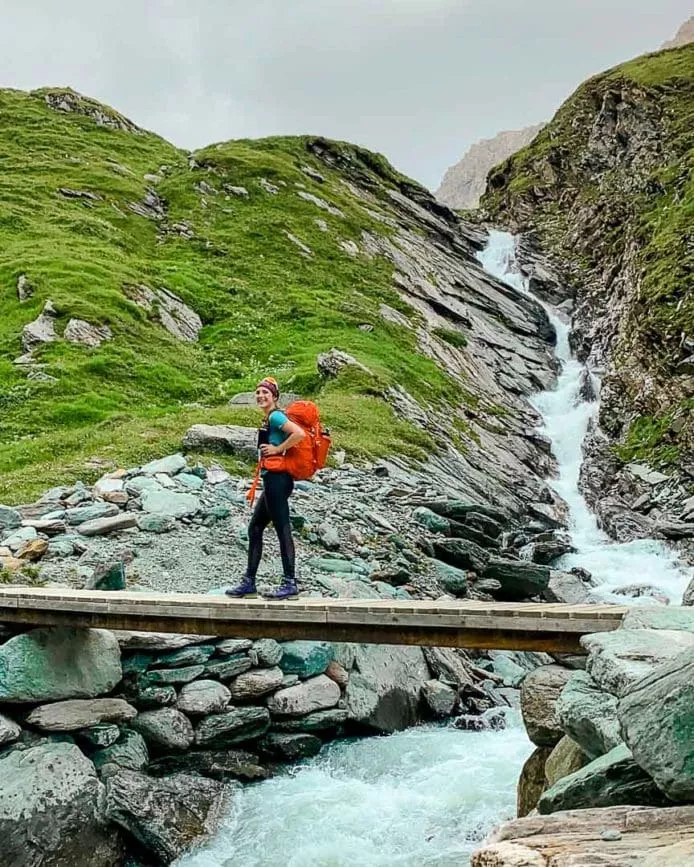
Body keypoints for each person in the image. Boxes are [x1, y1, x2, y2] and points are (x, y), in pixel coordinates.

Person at [226, 377, 305, 600]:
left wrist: (278, 449)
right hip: (273, 479)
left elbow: (299, 434)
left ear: (275, 397)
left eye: (265, 393)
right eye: (258, 392)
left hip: (278, 480)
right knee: (255, 527)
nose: (260, 396)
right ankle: (249, 583)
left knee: (282, 528)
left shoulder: (276, 416)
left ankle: (289, 583)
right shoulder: (269, 418)